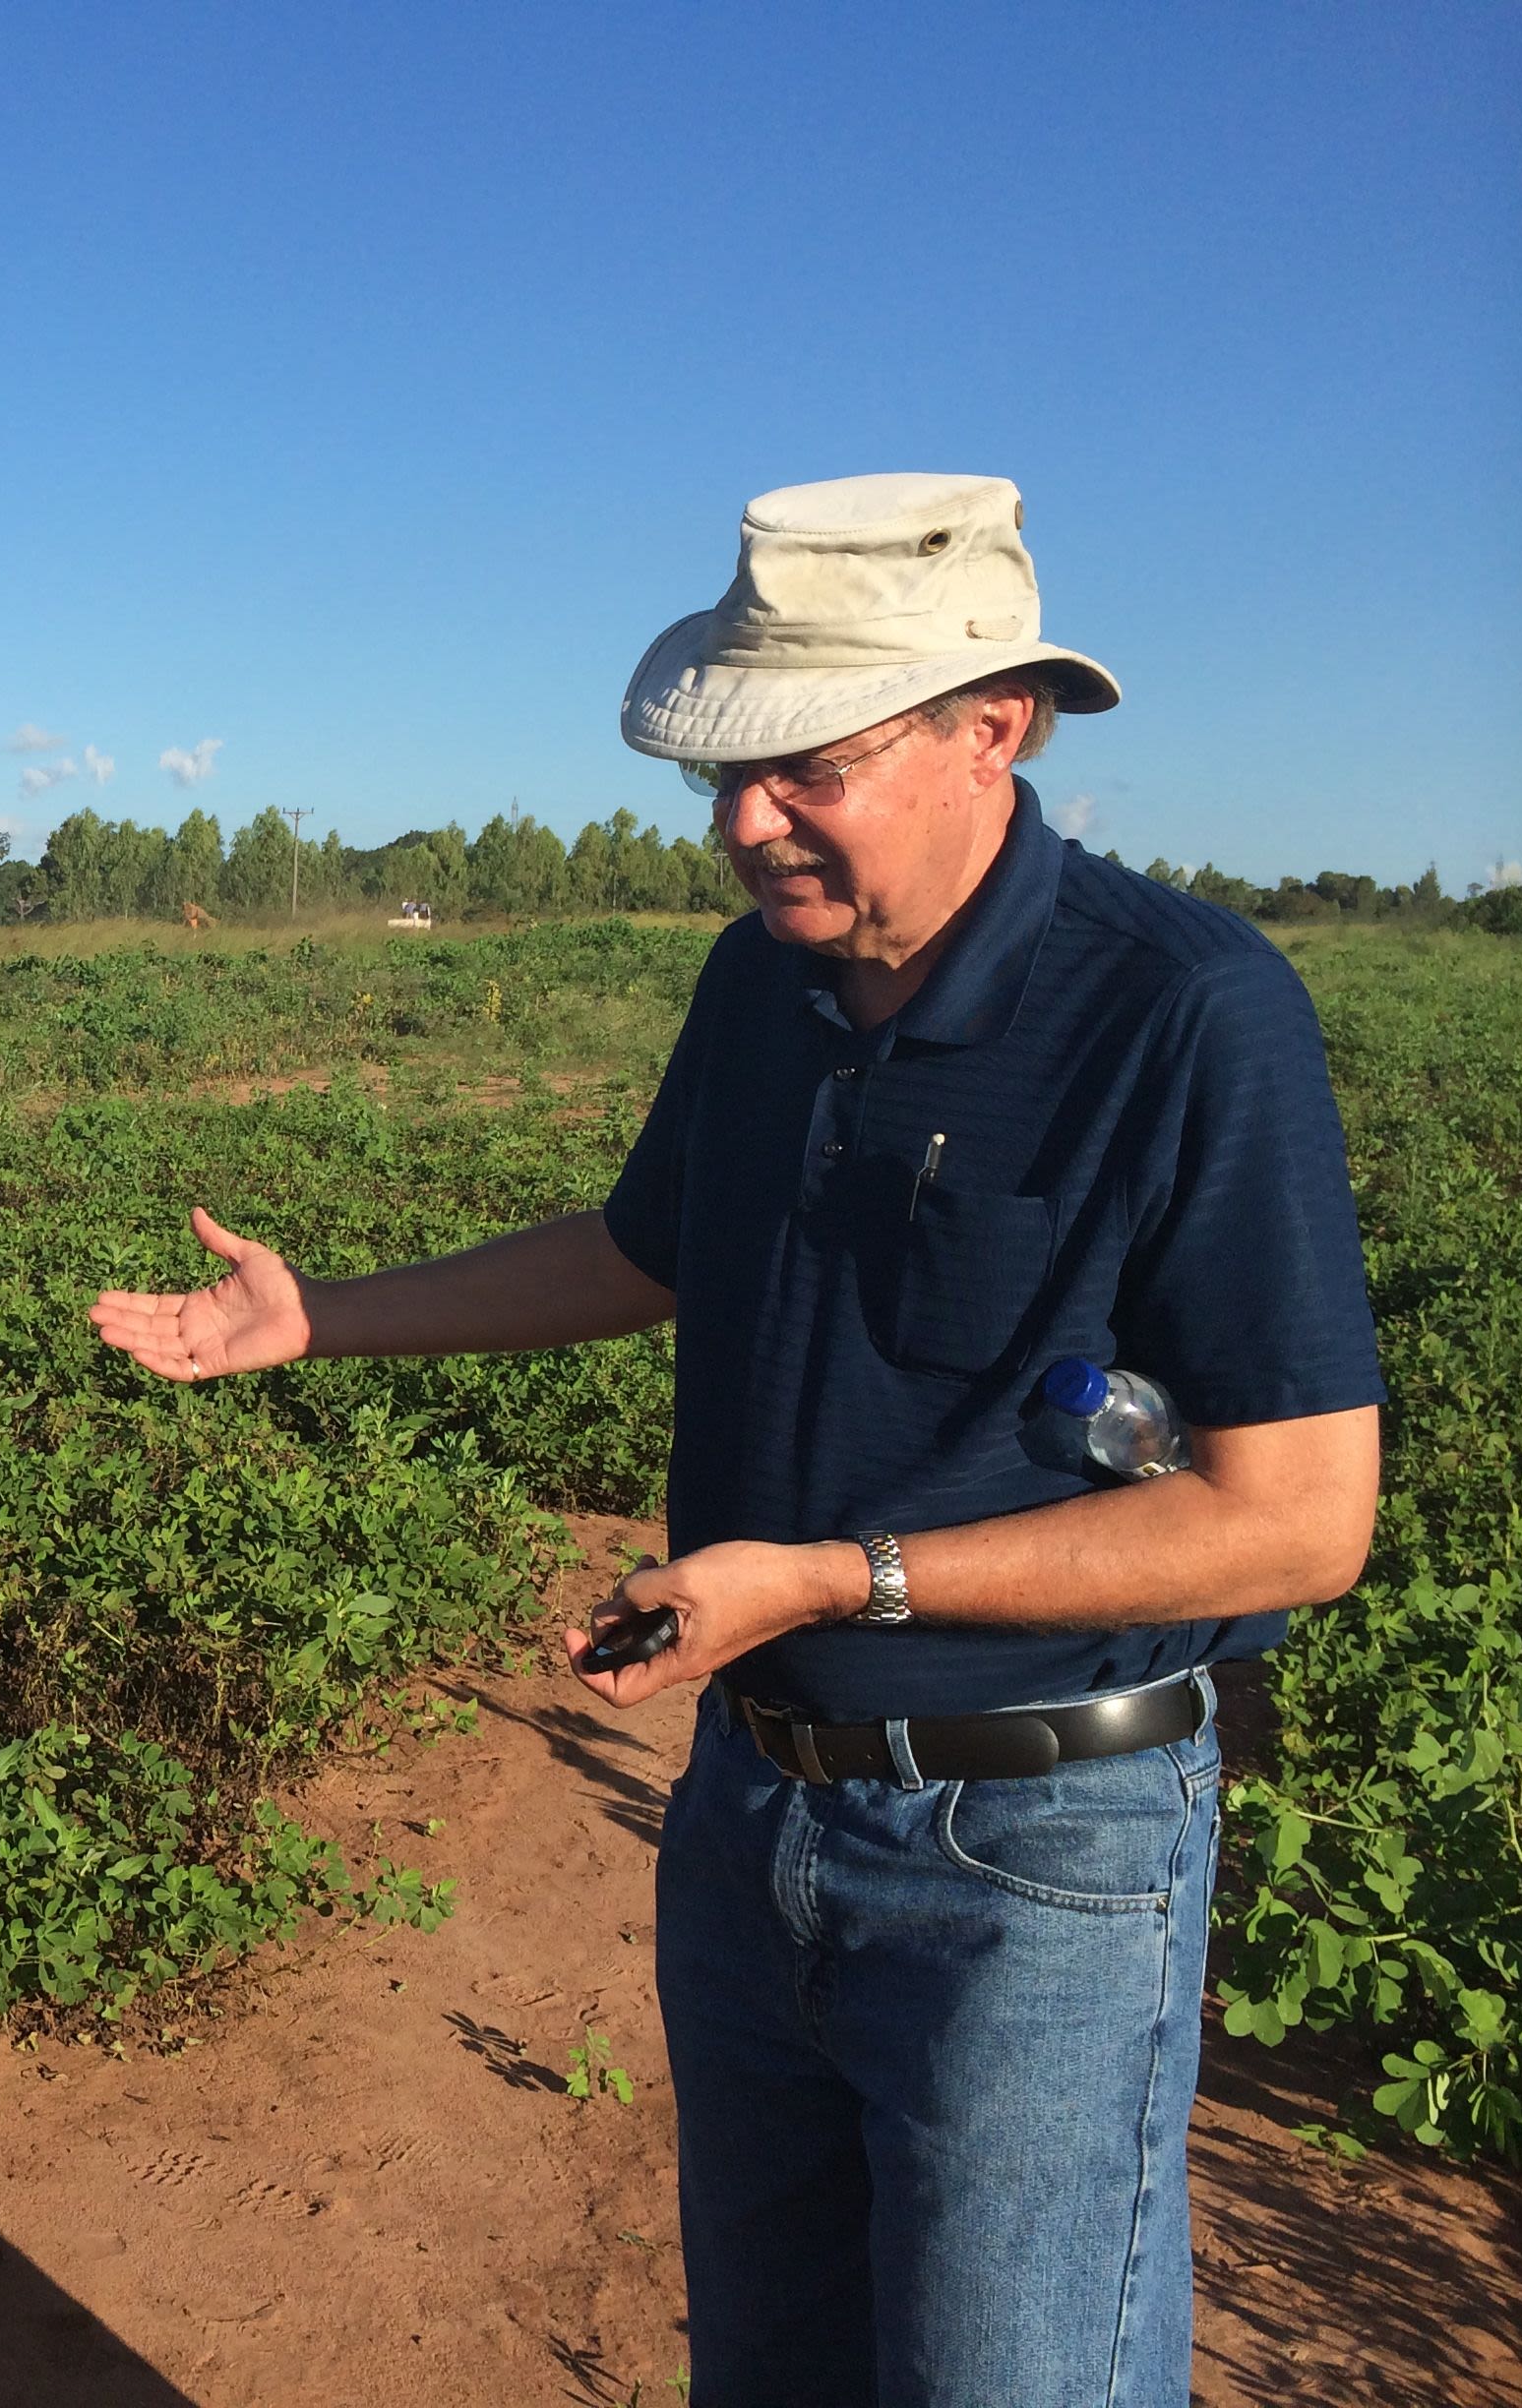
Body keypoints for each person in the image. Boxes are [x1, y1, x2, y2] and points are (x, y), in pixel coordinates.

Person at [89, 473, 1383, 2408]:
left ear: (992, 727)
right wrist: (321, 1318)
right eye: (729, 772)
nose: (744, 821)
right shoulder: (763, 984)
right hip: (756, 1811)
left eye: (809, 765)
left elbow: (1294, 1524)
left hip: (1037, 1851)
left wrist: (841, 1578)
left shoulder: (1188, 1015)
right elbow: (646, 1247)